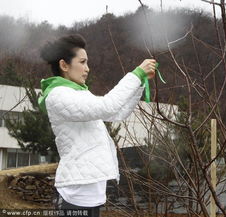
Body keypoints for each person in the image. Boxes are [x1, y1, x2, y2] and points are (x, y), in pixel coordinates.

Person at [38, 34, 156, 217]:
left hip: (90, 195)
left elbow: (117, 113)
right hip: (74, 197)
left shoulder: (78, 94)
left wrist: (139, 83)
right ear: (64, 65)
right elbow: (108, 106)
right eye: (82, 62)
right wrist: (136, 74)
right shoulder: (58, 95)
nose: (87, 69)